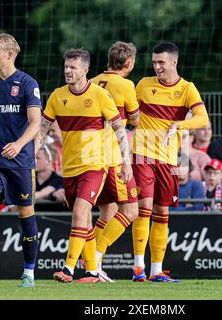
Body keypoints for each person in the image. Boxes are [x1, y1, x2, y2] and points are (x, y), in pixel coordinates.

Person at [39, 48, 132, 284]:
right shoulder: (57, 96)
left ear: (85, 70)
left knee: (82, 213)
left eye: (73, 68)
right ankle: (92, 272)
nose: (68, 71)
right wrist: (32, 152)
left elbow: (120, 130)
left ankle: (68, 268)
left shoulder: (101, 95)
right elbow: (42, 129)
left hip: (95, 165)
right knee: (85, 222)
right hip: (69, 168)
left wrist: (126, 161)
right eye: (66, 67)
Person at [131, 42, 209, 283]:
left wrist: (179, 124)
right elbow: (128, 112)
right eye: (154, 62)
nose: (157, 67)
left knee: (162, 212)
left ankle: (156, 270)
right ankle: (138, 268)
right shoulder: (143, 84)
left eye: (161, 62)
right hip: (142, 153)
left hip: (168, 158)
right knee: (144, 209)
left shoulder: (187, 89)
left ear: (174, 62)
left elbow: (202, 118)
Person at [0, 33, 42, 289]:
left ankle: (29, 273)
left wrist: (20, 144)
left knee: (26, 218)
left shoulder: (27, 83)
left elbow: (36, 123)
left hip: (22, 163)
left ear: (10, 54)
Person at [87, 41, 140, 282]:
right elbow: (136, 119)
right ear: (129, 63)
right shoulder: (126, 84)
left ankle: (90, 264)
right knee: (130, 210)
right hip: (113, 156)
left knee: (107, 210)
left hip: (90, 155)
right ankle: (96, 258)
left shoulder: (92, 81)